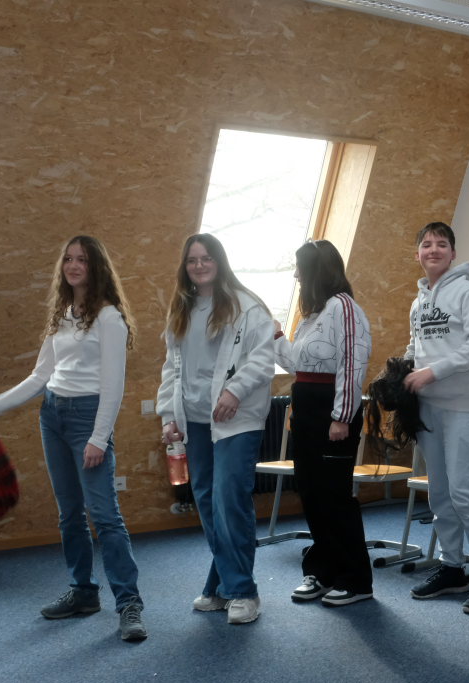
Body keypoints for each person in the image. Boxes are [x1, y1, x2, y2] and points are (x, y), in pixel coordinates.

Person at [0, 235, 147, 642]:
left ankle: (129, 603)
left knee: (105, 516)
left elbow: (113, 385)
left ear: (96, 267)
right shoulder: (63, 313)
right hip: (52, 415)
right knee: (69, 513)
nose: (73, 265)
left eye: (82, 260)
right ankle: (83, 592)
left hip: (88, 418)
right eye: (69, 259)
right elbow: (41, 376)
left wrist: (99, 438)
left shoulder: (109, 317)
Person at [157, 233, 275, 625]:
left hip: (235, 419)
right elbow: (172, 368)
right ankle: (223, 584)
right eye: (192, 260)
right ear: (185, 266)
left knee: (229, 499)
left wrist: (234, 391)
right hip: (194, 419)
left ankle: (243, 591)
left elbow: (262, 360)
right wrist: (168, 415)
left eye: (207, 258)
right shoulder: (182, 308)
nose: (200, 265)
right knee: (207, 502)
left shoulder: (247, 306)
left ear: (220, 261)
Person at [403, 222, 469, 614]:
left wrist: (432, 372)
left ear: (453, 253)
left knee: (465, 491)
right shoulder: (418, 302)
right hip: (429, 407)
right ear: (418, 253)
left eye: (441, 244)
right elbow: (416, 346)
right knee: (439, 492)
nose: (433, 250)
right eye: (426, 244)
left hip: (465, 405)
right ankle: (452, 566)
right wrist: (403, 369)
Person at [274, 239, 373, 607]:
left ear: (317, 270)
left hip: (333, 411)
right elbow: (297, 365)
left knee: (335, 497)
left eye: (300, 268)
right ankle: (323, 570)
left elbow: (352, 363)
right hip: (306, 407)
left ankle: (356, 580)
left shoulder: (343, 307)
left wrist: (341, 417)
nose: (296, 275)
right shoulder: (312, 316)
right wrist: (276, 337)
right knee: (312, 494)